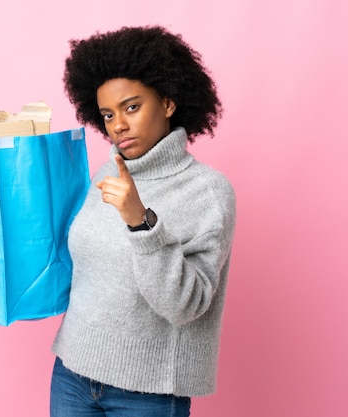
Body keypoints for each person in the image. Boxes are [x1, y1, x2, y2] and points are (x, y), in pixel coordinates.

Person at [50, 25, 236, 417]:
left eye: (131, 107)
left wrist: (141, 222)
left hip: (148, 393)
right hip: (72, 374)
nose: (117, 125)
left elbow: (187, 306)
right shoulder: (106, 173)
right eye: (107, 114)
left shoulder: (209, 191)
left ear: (168, 103)